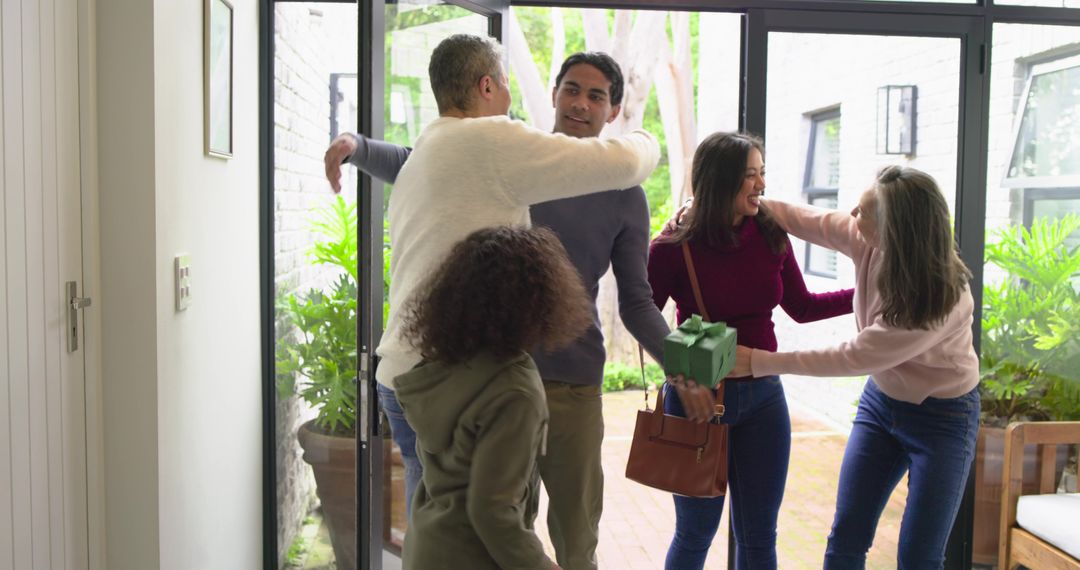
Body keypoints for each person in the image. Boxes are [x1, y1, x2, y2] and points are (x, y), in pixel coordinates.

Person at [327, 51, 669, 570]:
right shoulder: (513, 152)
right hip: (497, 382)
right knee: (490, 532)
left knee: (576, 538)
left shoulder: (623, 195)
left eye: (596, 95)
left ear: (614, 109)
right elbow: (418, 159)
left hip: (573, 383)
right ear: (553, 94)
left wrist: (680, 365)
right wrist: (360, 147)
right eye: (571, 88)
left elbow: (638, 301)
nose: (580, 103)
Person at [732, 165, 980, 569]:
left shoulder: (942, 301)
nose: (851, 215)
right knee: (846, 537)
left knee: (919, 557)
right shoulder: (870, 241)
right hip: (881, 405)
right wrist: (748, 204)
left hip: (944, 420)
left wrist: (759, 362)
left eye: (863, 211)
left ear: (894, 229)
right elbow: (811, 220)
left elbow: (852, 356)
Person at [647, 131, 854, 570]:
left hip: (764, 400)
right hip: (699, 402)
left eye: (763, 173)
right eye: (749, 176)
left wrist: (871, 294)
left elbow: (801, 307)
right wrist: (680, 381)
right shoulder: (673, 246)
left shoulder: (771, 233)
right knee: (695, 534)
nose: (761, 184)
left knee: (759, 537)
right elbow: (642, 317)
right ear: (719, 181)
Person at [395, 226, 592, 570]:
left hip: (426, 549)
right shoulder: (514, 391)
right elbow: (493, 510)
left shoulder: (445, 362)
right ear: (538, 300)